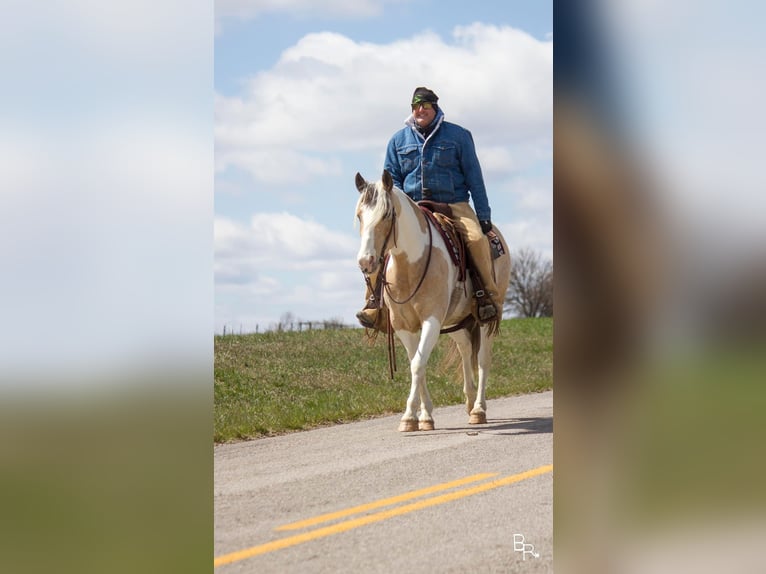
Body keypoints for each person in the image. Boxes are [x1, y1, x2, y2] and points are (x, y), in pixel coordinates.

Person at [357, 86, 501, 330]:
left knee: (476, 239)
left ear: (435, 107)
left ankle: (486, 297)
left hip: (454, 204)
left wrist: (484, 217)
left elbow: (475, 178)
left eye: (425, 105)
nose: (420, 110)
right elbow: (390, 183)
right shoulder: (398, 140)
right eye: (415, 106)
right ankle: (374, 304)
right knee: (378, 243)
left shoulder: (458, 136)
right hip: (413, 208)